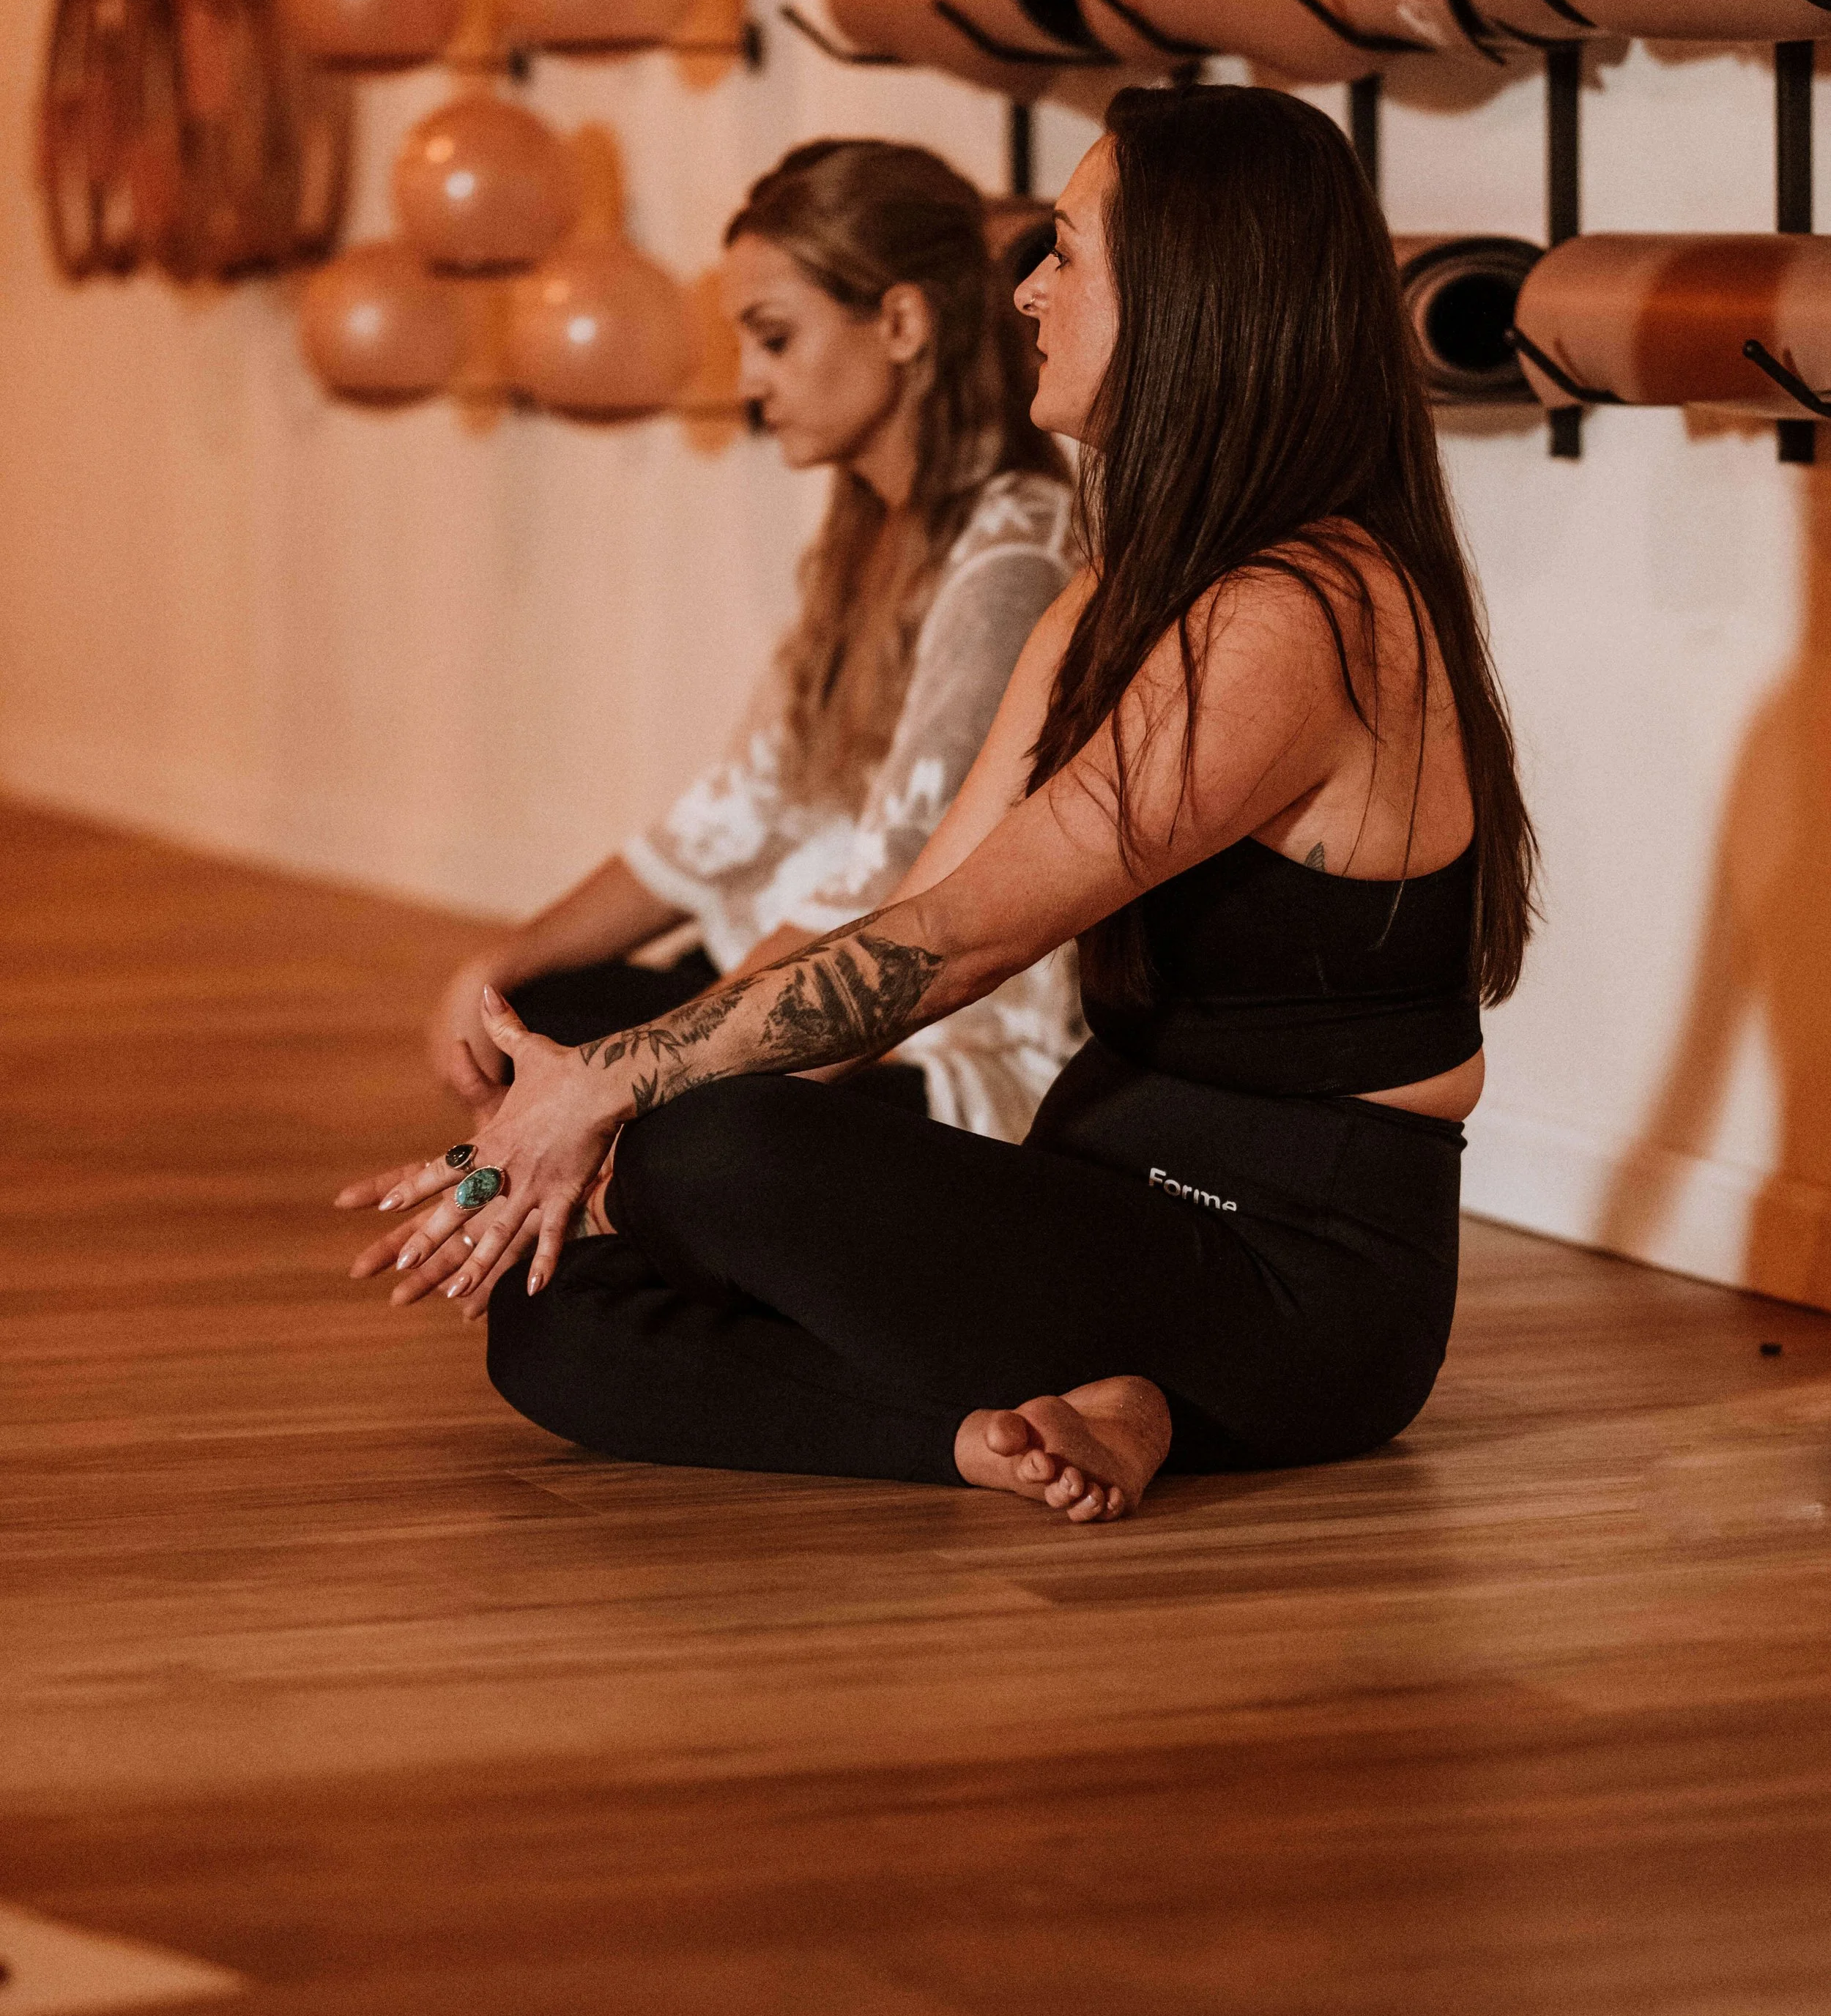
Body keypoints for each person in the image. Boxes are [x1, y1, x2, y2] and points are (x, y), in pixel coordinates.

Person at [342, 85, 1536, 1528]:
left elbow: (960, 947)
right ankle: (993, 1436)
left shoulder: (1303, 612)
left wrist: (624, 1093)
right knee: (551, 1314)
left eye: (1067, 252)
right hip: (1100, 1198)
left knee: (698, 1144)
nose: (1025, 289)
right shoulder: (1113, 598)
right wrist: (563, 1124)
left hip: (1291, 1285)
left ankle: (1138, 1392)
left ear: (1191, 290)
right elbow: (888, 920)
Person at [427, 137, 1080, 1141]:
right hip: (806, 981)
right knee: (536, 1020)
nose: (750, 381)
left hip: (932, 1037)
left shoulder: (1011, 559)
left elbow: (889, 896)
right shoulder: (868, 532)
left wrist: (638, 1077)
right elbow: (723, 820)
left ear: (902, 322)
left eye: (774, 339)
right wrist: (500, 964)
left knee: (658, 1126)